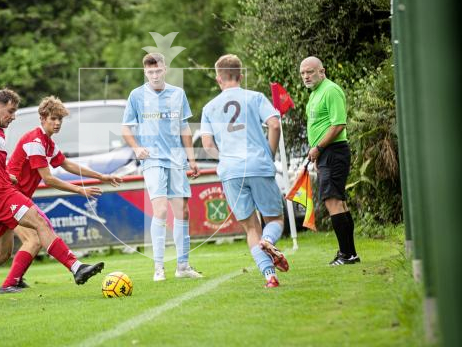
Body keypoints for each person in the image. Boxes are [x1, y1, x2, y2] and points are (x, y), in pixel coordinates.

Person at [0, 89, 105, 307]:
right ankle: (76, 267)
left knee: (1, 254)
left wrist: (6, 175)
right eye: (11, 111)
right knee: (40, 224)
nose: (13, 116)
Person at [0, 95, 122, 292]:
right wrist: (79, 190)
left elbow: (66, 164)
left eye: (60, 119)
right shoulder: (35, 141)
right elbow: (48, 179)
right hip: (9, 197)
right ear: (42, 118)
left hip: (16, 199)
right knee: (38, 234)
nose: (57, 123)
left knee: (26, 243)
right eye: (53, 118)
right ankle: (76, 268)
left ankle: (11, 282)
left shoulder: (47, 142)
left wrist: (101, 176)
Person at [200, 54, 289, 288]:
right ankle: (269, 241)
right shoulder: (255, 97)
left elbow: (207, 146)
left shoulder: (209, 107)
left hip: (231, 171)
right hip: (258, 164)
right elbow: (275, 124)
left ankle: (270, 275)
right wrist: (269, 153)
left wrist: (226, 158)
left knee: (251, 227)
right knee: (275, 219)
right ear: (240, 76)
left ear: (218, 78)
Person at [121, 53, 202, 281]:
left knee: (183, 212)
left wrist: (192, 159)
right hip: (153, 160)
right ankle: (159, 268)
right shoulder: (136, 96)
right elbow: (126, 129)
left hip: (177, 160)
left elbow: (184, 128)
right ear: (145, 72)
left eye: (158, 71)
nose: (155, 75)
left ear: (165, 69)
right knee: (161, 210)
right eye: (150, 72)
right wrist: (137, 149)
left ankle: (183, 266)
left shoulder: (178, 94)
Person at [299, 56, 360, 266]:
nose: (306, 76)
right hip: (326, 154)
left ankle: (347, 254)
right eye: (303, 73)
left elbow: (338, 124)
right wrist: (317, 152)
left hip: (334, 151)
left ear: (322, 72)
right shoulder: (315, 94)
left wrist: (319, 148)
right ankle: (349, 253)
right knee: (339, 202)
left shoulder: (331, 90)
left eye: (310, 71)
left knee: (332, 201)